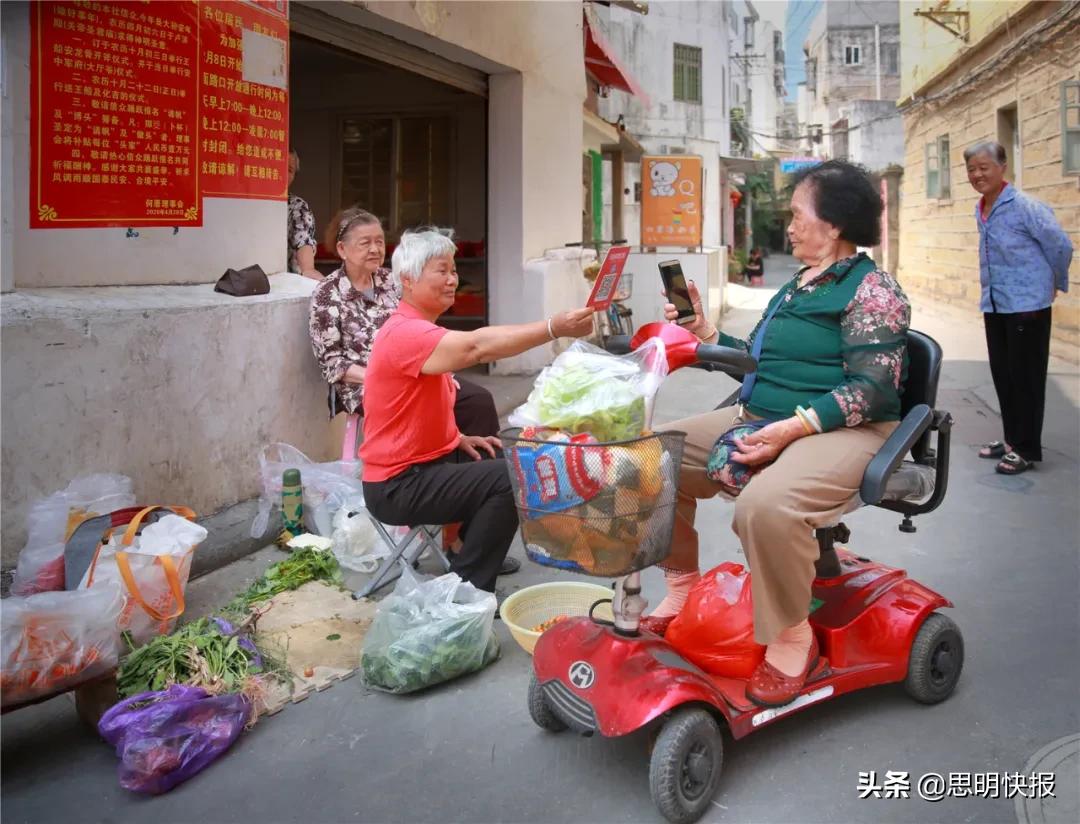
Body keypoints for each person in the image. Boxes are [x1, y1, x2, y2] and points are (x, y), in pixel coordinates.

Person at [651, 160, 911, 708]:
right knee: (650, 456)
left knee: (766, 506)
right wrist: (702, 329)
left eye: (797, 215)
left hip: (846, 429)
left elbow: (873, 390)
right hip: (763, 416)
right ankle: (681, 587)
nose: (788, 227)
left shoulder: (873, 290)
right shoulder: (798, 285)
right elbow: (758, 362)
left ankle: (793, 637)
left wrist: (788, 430)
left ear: (833, 225)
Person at [359, 228, 594, 593]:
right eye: (442, 270)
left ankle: (468, 553)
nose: (453, 279)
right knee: (509, 478)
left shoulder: (421, 329)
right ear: (407, 279)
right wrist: (553, 327)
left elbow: (414, 409)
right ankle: (466, 590)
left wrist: (456, 438)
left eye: (453, 270)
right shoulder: (405, 333)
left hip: (426, 465)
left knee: (515, 457)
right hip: (397, 485)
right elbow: (476, 348)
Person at [308, 207, 500, 439]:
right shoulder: (327, 293)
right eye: (365, 243)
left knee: (477, 401)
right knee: (432, 407)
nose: (375, 249)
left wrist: (439, 369)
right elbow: (332, 363)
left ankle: (474, 459)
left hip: (417, 370)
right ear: (342, 249)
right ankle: (438, 459)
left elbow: (420, 323)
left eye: (379, 241)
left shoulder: (392, 280)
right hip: (366, 385)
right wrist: (380, 377)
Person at [965, 141, 1073, 475]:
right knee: (1004, 374)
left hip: (1027, 303)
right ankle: (1012, 440)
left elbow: (1061, 245)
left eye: (984, 167)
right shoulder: (982, 208)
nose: (977, 174)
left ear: (1002, 167)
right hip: (996, 303)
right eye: (971, 169)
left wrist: (1055, 280)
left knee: (1026, 377)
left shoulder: (1025, 206)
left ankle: (1026, 448)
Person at [287, 150, 322, 281]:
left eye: (289, 170)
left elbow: (303, 239)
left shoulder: (297, 206)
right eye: (277, 167)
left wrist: (308, 269)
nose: (282, 174)